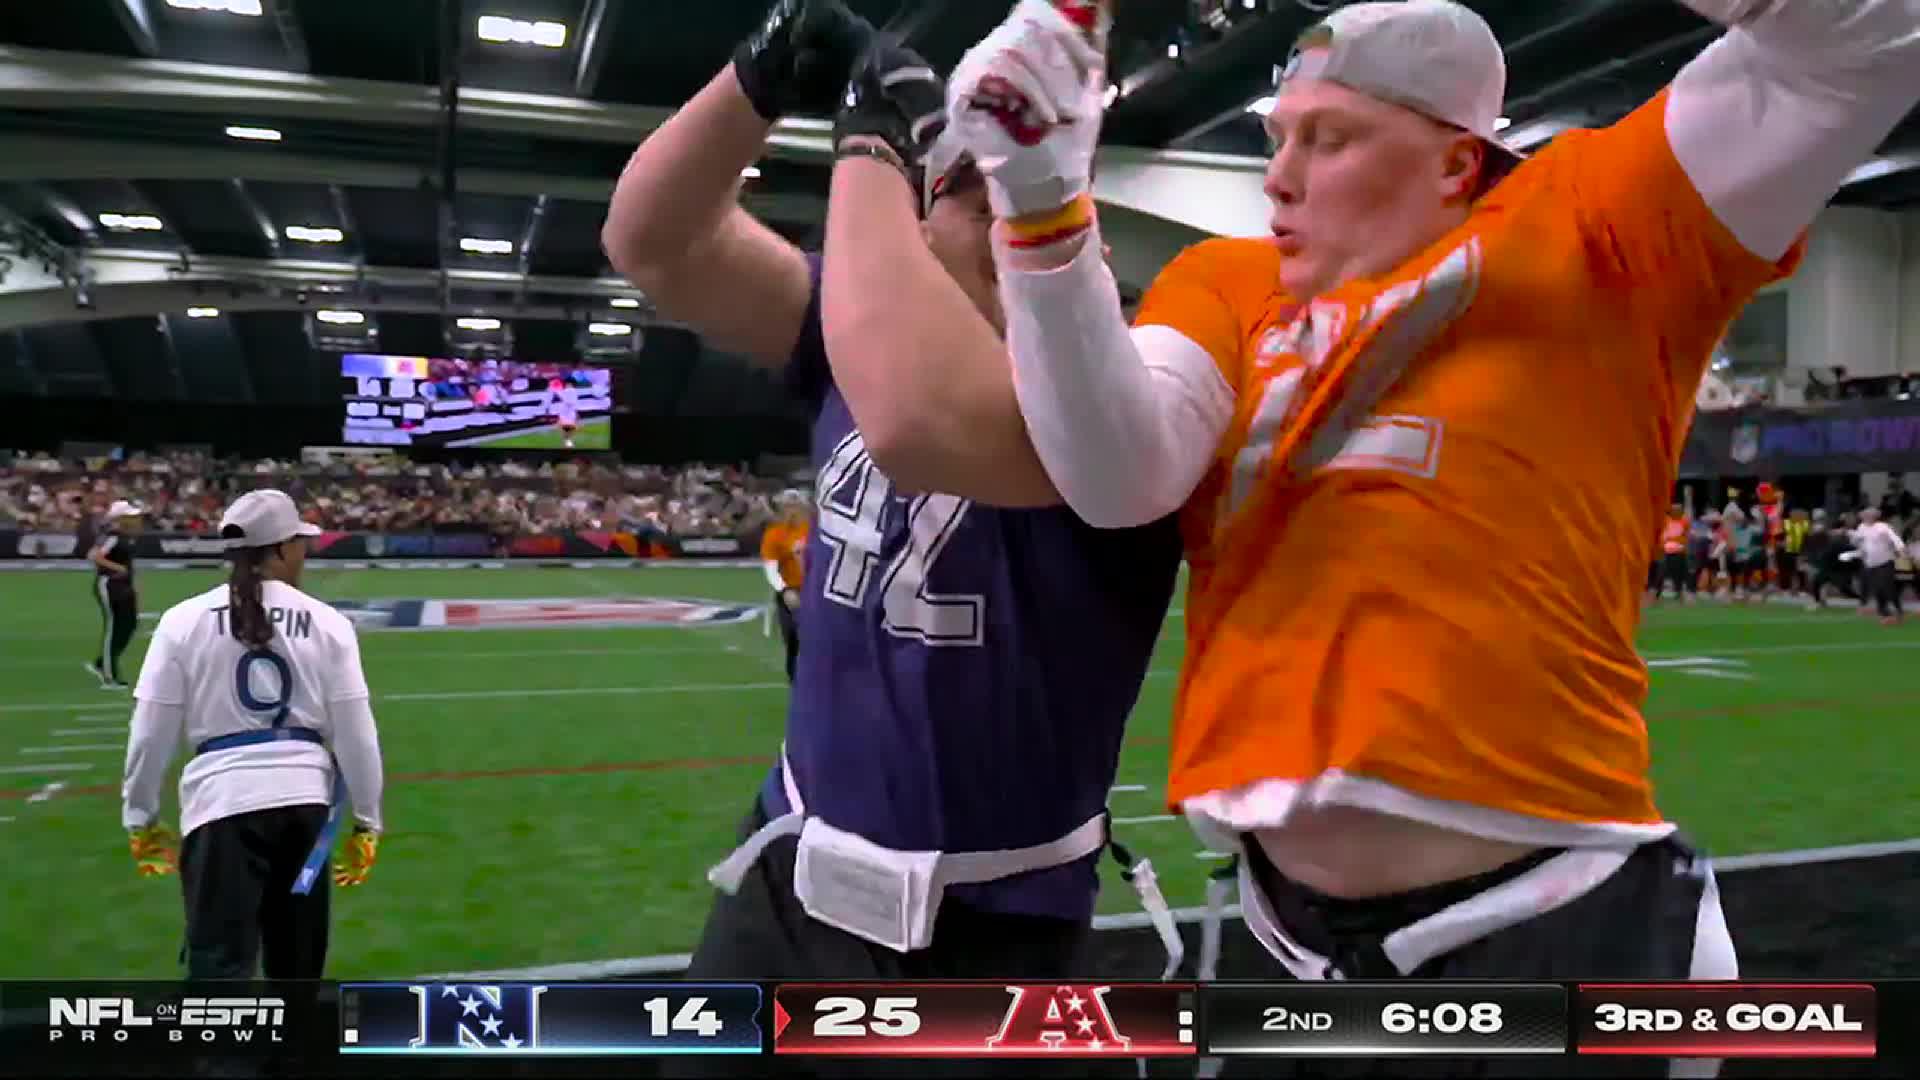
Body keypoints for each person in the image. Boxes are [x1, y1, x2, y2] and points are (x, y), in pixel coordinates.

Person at [942, 0, 1920, 997]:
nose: (1279, 175)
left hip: (1562, 926)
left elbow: (1876, 36)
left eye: (1330, 140)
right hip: (1298, 942)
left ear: (1456, 162)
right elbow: (1117, 478)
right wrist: (1041, 201)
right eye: (1280, 137)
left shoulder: (1594, 222)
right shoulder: (1227, 281)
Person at [602, 0, 1182, 1011]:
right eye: (965, 189)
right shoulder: (856, 336)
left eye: (1024, 189)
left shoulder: (1127, 400)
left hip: (993, 926)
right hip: (792, 873)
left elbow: (924, 414)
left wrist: (869, 141)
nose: (998, 215)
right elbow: (653, 240)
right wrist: (756, 78)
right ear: (917, 220)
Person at [121, 488, 385, 978]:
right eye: (300, 543)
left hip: (221, 806)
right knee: (298, 968)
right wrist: (368, 821)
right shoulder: (328, 623)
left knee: (219, 968)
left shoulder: (182, 622)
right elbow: (356, 733)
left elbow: (150, 733)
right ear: (281, 549)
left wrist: (140, 816)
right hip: (306, 808)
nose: (305, 553)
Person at [87, 499, 144, 690]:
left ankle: (103, 662)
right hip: (110, 585)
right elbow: (94, 555)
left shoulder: (126, 537)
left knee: (129, 624)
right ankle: (109, 675)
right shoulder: (112, 536)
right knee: (113, 628)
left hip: (124, 586)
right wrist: (118, 568)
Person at [758, 491, 810, 681]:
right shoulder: (774, 534)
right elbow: (771, 568)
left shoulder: (815, 530)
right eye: (786, 506)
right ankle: (796, 679)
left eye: (794, 506)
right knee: (793, 638)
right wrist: (785, 590)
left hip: (816, 591)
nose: (791, 511)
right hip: (792, 591)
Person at [1855, 507, 1906, 626]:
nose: (1866, 517)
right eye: (1865, 515)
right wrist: (1861, 551)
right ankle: (1884, 613)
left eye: (1869, 515)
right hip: (1870, 563)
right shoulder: (1861, 527)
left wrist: (1901, 550)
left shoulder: (1882, 527)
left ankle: (1898, 609)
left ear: (1875, 516)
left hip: (1885, 562)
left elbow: (1895, 538)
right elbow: (1860, 541)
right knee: (1877, 589)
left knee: (1887, 587)